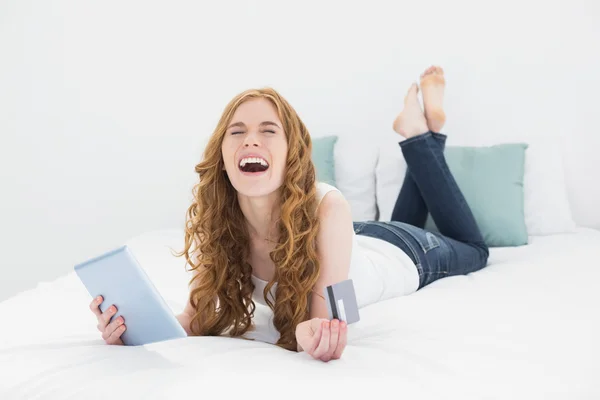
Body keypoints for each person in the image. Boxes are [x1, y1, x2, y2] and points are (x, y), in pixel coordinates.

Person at [89, 65, 489, 363]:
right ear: (223, 159)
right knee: (400, 223)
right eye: (237, 131)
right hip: (356, 242)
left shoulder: (329, 207)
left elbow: (337, 313)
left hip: (401, 254)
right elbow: (193, 320)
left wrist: (322, 330)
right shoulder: (221, 221)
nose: (251, 139)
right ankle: (423, 132)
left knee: (475, 249)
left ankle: (421, 137)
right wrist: (130, 329)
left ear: (290, 155)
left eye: (268, 130)